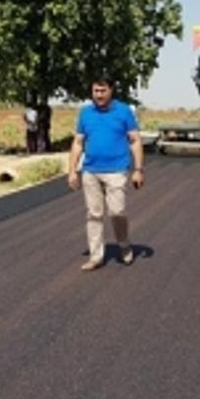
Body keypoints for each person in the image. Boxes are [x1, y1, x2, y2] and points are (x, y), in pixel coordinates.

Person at [68, 78, 144, 271]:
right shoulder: (86, 113)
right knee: (94, 214)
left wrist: (138, 169)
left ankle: (124, 244)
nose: (98, 95)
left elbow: (135, 140)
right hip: (90, 171)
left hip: (117, 170)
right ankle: (96, 256)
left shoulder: (123, 111)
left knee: (117, 211)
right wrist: (72, 171)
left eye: (102, 91)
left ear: (111, 91)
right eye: (95, 91)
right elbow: (78, 143)